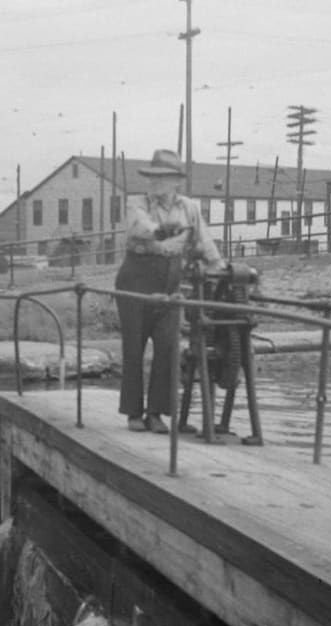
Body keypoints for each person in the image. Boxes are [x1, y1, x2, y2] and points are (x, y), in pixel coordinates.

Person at [115, 148, 224, 433]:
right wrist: (161, 232)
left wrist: (220, 268)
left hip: (170, 283)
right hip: (135, 281)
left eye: (162, 178)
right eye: (152, 177)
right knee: (133, 347)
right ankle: (133, 413)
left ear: (176, 180)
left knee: (168, 346)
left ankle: (157, 413)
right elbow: (140, 227)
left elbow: (205, 240)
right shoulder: (136, 202)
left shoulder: (189, 207)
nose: (156, 183)